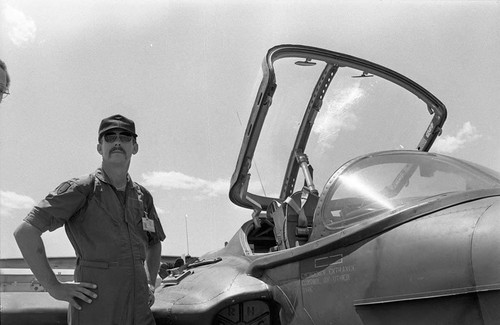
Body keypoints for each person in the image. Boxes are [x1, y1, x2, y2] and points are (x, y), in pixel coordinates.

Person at [14, 114, 165, 325]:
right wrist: (54, 287)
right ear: (99, 147)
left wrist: (150, 282)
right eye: (110, 137)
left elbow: (154, 242)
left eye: (125, 137)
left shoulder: (143, 197)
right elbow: (25, 232)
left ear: (135, 147)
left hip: (139, 308)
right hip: (96, 307)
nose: (118, 142)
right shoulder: (82, 189)